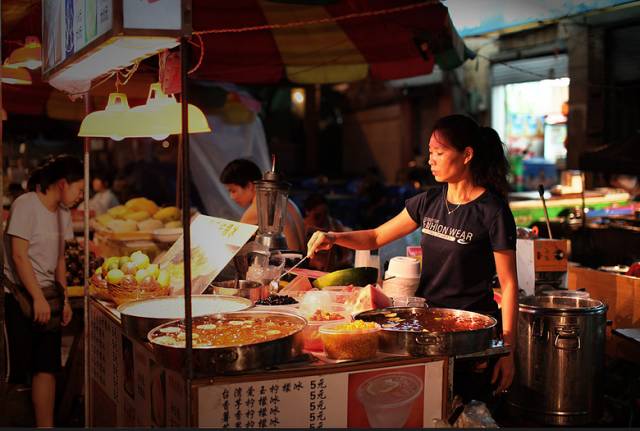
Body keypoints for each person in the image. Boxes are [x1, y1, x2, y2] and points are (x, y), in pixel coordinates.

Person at [308, 115, 518, 400]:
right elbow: (376, 237)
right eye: (430, 153)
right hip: (428, 326)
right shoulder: (429, 202)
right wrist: (332, 237)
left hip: (471, 333)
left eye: (439, 153)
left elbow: (508, 286)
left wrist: (507, 350)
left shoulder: (492, 211)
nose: (430, 160)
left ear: (467, 154)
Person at [3, 155, 83, 427]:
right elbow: (19, 256)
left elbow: (59, 259)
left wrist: (65, 299)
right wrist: (37, 297)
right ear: (63, 184)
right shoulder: (26, 205)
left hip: (48, 299)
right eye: (79, 189)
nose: (80, 196)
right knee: (13, 371)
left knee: (47, 367)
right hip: (18, 299)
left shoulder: (63, 215)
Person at [220, 159, 306, 252]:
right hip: (303, 260)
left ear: (249, 186)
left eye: (233, 191)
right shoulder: (286, 201)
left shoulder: (257, 208)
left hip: (290, 263)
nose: (232, 197)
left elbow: (233, 247)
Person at [303, 193, 353, 271]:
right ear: (307, 212)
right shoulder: (301, 226)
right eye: (317, 216)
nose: (322, 220)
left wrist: (341, 264)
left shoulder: (334, 225)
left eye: (325, 214)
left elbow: (346, 255)